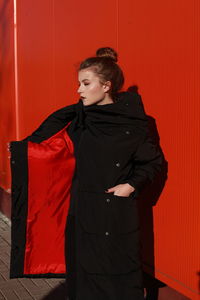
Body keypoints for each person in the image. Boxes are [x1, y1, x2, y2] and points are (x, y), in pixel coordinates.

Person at [9, 47, 163, 300]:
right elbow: (51, 136)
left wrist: (131, 186)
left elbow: (152, 163)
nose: (79, 89)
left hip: (116, 215)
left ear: (106, 85)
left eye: (86, 83)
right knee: (83, 283)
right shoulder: (81, 118)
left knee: (119, 280)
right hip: (81, 212)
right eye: (79, 83)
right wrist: (23, 148)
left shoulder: (133, 124)